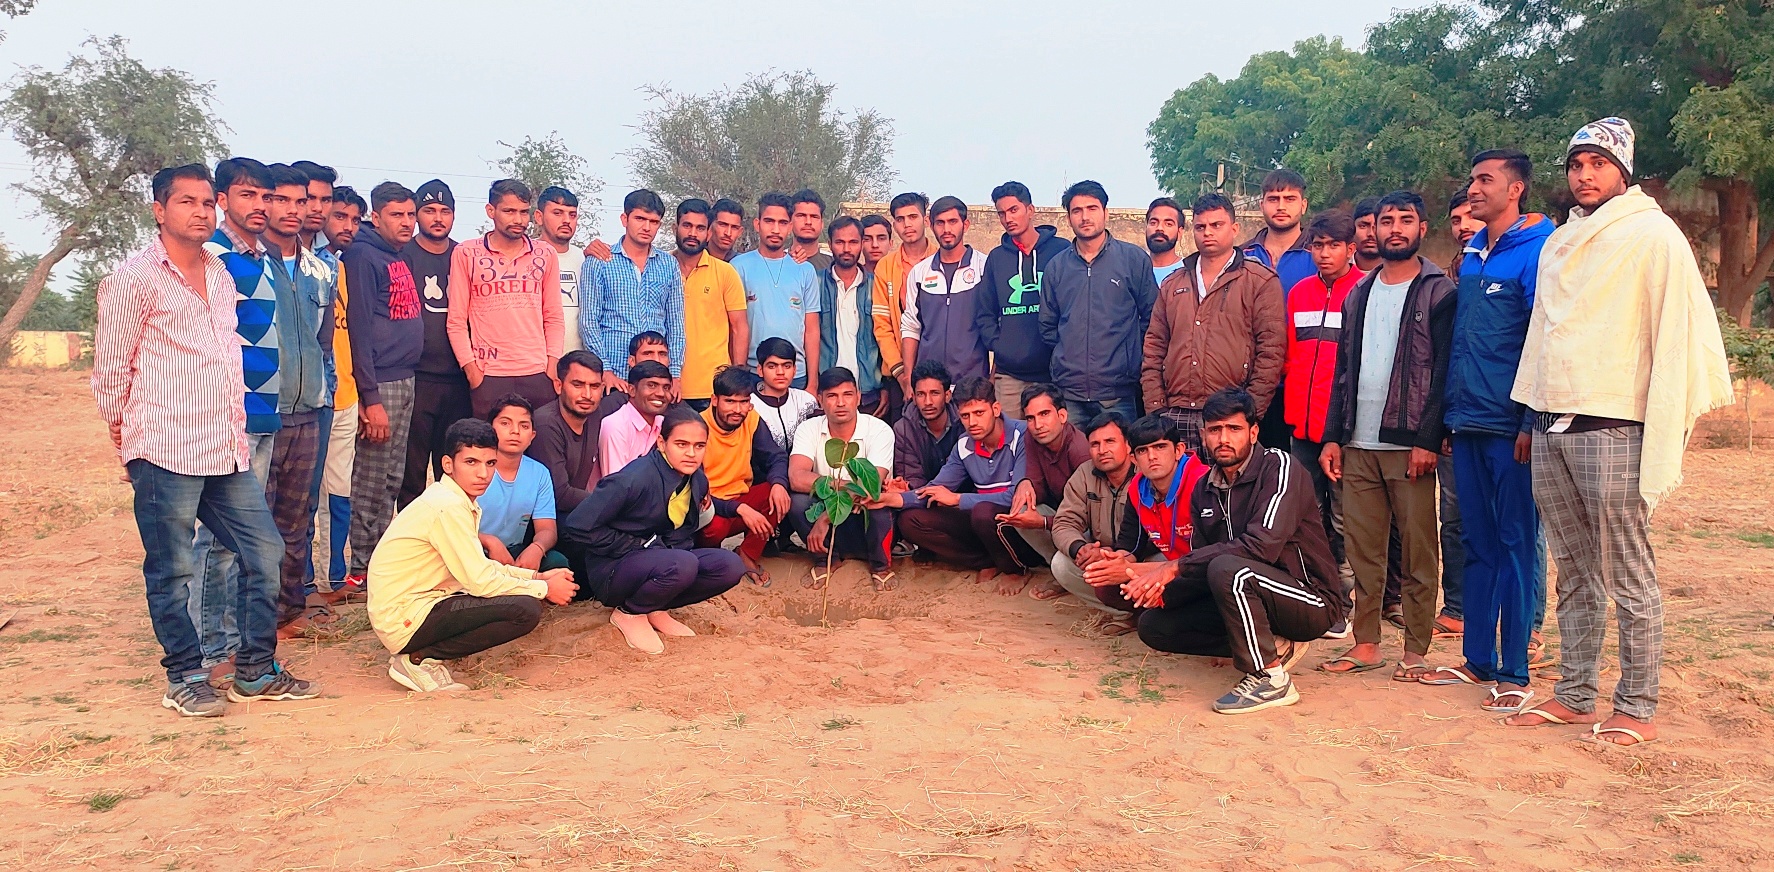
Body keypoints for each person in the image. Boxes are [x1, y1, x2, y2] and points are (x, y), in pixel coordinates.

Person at [1505, 117, 1733, 745]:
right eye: (1576, 165)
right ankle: (1575, 694)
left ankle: (1636, 701)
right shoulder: (1558, 243)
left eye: (1597, 165)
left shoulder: (1652, 235)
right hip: (1552, 424)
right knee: (1573, 569)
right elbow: (1546, 336)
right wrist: (1532, 416)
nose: (1584, 176)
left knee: (1628, 570)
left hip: (1614, 425)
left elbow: (1676, 332)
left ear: (1622, 171)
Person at [93, 163, 320, 716]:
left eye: (204, 203)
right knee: (171, 567)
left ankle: (255, 670)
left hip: (224, 447)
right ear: (159, 210)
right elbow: (111, 372)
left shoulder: (220, 273)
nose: (200, 212)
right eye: (186, 202)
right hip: (164, 448)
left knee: (264, 549)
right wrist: (128, 441)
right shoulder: (132, 279)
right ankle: (185, 676)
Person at [1122, 389, 1344, 714]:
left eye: (1234, 429)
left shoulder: (1280, 467)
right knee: (1154, 625)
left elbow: (1260, 546)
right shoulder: (1204, 488)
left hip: (1309, 599)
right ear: (1204, 435)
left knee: (1227, 568)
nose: (1224, 438)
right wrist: (1157, 589)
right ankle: (1270, 646)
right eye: (1215, 430)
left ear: (1253, 432)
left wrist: (1172, 567)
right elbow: (1202, 564)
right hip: (1247, 591)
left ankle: (1270, 679)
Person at [1429, 149, 1556, 699]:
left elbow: (1542, 342)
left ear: (1517, 188)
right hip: (1468, 421)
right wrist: (1449, 418)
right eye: (1472, 180)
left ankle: (1514, 670)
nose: (1474, 190)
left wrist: (1530, 421)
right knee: (1474, 543)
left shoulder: (1540, 252)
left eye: (1486, 180)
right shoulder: (1475, 252)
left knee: (1514, 543)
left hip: (1512, 428)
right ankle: (1476, 659)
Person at [1318, 191, 1454, 682]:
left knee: (1418, 552)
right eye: (1385, 221)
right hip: (1358, 443)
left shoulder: (1439, 290)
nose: (1394, 229)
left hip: (1408, 445)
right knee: (1363, 551)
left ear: (1422, 227)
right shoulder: (1360, 292)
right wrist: (1334, 435)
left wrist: (1427, 438)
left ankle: (1416, 650)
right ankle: (1367, 643)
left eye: (1406, 220)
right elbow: (1343, 369)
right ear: (1369, 230)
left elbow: (1441, 373)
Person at [368, 418, 577, 693]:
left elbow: (480, 568)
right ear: (447, 465)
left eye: (490, 463)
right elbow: (481, 581)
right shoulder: (447, 506)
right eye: (471, 462)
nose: (483, 474)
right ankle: (418, 659)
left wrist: (536, 576)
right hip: (404, 617)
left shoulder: (456, 500)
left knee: (522, 599)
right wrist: (544, 587)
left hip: (424, 602)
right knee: (524, 610)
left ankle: (423, 653)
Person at [187, 157, 281, 675]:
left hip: (262, 412)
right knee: (219, 539)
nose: (260, 206)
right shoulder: (213, 257)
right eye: (248, 195)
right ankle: (210, 645)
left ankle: (234, 640)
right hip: (227, 418)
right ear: (223, 199)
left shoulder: (259, 256)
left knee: (247, 540)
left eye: (265, 197)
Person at [561, 410, 752, 654]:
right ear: (662, 443)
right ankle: (630, 613)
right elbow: (578, 525)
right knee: (681, 564)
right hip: (614, 569)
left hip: (665, 557)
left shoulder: (697, 479)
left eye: (699, 445)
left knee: (729, 565)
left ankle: (655, 607)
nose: (691, 453)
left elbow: (681, 532)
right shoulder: (633, 479)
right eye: (681, 444)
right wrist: (639, 544)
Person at [1141, 192, 1286, 453]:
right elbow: (1153, 349)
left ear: (1234, 228)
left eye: (1216, 225)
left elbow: (1271, 353)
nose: (1208, 232)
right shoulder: (1173, 284)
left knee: (1230, 491)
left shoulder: (1259, 281)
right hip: (1175, 413)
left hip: (1230, 415)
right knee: (1178, 491)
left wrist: (1249, 411)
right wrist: (1157, 410)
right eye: (1201, 227)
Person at [258, 164, 337, 637]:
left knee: (297, 517)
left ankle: (288, 613)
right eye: (281, 200)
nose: (294, 210)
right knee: (252, 522)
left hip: (311, 408)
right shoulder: (240, 264)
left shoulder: (319, 269)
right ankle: (249, 623)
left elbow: (322, 340)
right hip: (259, 411)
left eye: (302, 201)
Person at [1284, 210, 1365, 636]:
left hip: (1346, 430)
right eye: (1318, 245)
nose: (1325, 253)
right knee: (1307, 514)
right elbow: (1288, 357)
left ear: (1351, 249)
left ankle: (1347, 602)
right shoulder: (1298, 293)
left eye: (1334, 245)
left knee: (1344, 519)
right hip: (1302, 426)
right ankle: (1316, 594)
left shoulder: (1364, 292)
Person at [885, 376, 1038, 594]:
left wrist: (958, 499)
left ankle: (1015, 569)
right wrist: (888, 499)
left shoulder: (1021, 435)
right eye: (965, 416)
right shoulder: (964, 445)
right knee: (910, 520)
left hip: (1019, 526)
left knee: (982, 512)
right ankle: (986, 561)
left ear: (995, 409)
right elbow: (934, 489)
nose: (972, 422)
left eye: (979, 413)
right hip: (983, 525)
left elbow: (1015, 497)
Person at [343, 181, 425, 585]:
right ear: (376, 217)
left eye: (411, 214)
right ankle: (360, 567)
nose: (407, 222)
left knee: (394, 475)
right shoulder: (362, 255)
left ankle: (379, 562)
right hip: (382, 383)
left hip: (407, 378)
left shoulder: (398, 255)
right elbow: (357, 328)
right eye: (397, 215)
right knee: (372, 477)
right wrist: (369, 396)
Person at [1039, 180, 1160, 420]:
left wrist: (1129, 356)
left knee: (1119, 457)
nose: (1085, 217)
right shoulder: (1057, 267)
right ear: (1069, 218)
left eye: (1092, 208)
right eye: (1077, 211)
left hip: (1118, 392)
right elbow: (1048, 326)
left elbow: (1153, 318)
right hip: (1069, 393)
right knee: (1075, 458)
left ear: (1105, 212)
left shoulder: (1133, 260)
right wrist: (1070, 356)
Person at [447, 179, 564, 417]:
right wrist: (472, 371)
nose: (518, 220)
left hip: (537, 374)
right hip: (489, 374)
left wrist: (551, 368)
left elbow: (553, 316)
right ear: (491, 211)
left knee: (538, 451)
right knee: (488, 451)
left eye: (524, 212)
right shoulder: (467, 253)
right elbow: (456, 320)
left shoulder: (545, 253)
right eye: (509, 211)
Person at [1048, 413, 1159, 634]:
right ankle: (1124, 615)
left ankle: (1155, 614)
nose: (1102, 450)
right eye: (1095, 444)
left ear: (1128, 445)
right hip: (1103, 556)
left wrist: (1121, 556)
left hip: (1145, 557)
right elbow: (1064, 522)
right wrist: (1082, 548)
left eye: (1110, 441)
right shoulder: (1084, 474)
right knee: (1061, 564)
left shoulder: (1148, 472)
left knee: (1169, 561)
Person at [792, 368, 897, 589]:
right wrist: (844, 485)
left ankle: (881, 566)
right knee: (797, 502)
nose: (841, 403)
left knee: (877, 503)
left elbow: (872, 486)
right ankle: (827, 559)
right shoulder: (808, 429)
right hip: (831, 512)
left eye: (847, 394)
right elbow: (796, 477)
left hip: (863, 518)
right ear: (820, 400)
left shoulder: (879, 430)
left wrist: (825, 519)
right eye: (832, 396)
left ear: (858, 397)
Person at [401, 179, 470, 508]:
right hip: (416, 377)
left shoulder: (465, 255)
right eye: (429, 210)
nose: (438, 218)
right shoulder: (403, 255)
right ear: (417, 214)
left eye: (445, 211)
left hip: (458, 379)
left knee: (453, 473)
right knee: (410, 473)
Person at [580, 189, 685, 397]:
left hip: (656, 378)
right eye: (640, 218)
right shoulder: (600, 261)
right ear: (624, 219)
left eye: (654, 222)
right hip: (615, 376)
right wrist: (605, 370)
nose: (646, 227)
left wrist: (675, 375)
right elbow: (589, 321)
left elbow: (675, 323)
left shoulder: (669, 264)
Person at [977, 181, 1069, 417]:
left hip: (1053, 373)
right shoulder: (997, 258)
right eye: (1001, 213)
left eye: (1014, 210)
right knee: (1009, 441)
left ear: (1030, 210)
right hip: (1010, 376)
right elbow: (985, 311)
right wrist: (999, 345)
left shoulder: (1061, 251)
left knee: (1050, 443)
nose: (1008, 218)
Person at [695, 367, 791, 583]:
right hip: (709, 507)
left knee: (778, 493)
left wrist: (778, 484)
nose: (737, 409)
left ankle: (747, 554)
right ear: (714, 400)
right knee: (714, 527)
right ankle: (711, 563)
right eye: (730, 401)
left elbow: (776, 457)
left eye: (743, 402)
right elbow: (697, 491)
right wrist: (740, 508)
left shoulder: (751, 419)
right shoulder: (698, 427)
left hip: (740, 501)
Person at [315, 186, 364, 601]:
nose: (346, 226)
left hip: (346, 395)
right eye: (339, 217)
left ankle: (334, 579)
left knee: (339, 490)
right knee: (305, 498)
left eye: (354, 219)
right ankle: (300, 584)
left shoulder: (340, 267)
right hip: (309, 400)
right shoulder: (303, 265)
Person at [998, 383, 1089, 590]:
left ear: (1063, 416)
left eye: (1045, 414)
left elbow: (1090, 517)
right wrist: (1025, 482)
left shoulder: (1080, 451)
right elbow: (1036, 483)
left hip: (1087, 526)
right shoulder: (1032, 437)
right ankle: (1058, 572)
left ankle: (1073, 575)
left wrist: (1044, 522)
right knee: (1021, 507)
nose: (1038, 424)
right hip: (1061, 513)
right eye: (1030, 418)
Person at [900, 195, 991, 388]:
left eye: (952, 222)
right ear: (931, 226)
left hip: (973, 381)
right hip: (929, 386)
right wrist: (908, 378)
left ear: (965, 225)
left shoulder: (985, 267)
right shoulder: (920, 272)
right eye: (940, 223)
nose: (946, 229)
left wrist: (993, 378)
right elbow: (911, 326)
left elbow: (999, 325)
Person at [734, 191, 820, 386]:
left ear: (790, 227)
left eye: (782, 223)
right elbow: (734, 326)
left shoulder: (805, 270)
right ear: (757, 224)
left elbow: (812, 330)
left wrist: (813, 383)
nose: (775, 229)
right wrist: (737, 376)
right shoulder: (739, 267)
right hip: (753, 372)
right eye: (769, 221)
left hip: (796, 374)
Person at [477, 394, 568, 572]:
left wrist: (537, 548)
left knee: (557, 563)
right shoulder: (475, 466)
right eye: (505, 423)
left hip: (512, 552)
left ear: (532, 435)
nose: (515, 431)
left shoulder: (539, 473)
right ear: (490, 429)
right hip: (473, 547)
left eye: (524, 425)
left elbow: (547, 529)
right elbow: (452, 527)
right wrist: (488, 541)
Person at [673, 198, 748, 412]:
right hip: (668, 384)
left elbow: (739, 327)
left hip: (712, 388)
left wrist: (736, 379)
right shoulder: (662, 268)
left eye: (700, 228)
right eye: (687, 226)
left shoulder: (725, 273)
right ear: (674, 228)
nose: (693, 234)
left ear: (708, 233)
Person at [528, 350, 608, 514]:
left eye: (594, 386)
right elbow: (560, 495)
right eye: (577, 385)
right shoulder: (546, 425)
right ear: (559, 386)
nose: (587, 395)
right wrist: (608, 502)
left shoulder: (594, 413)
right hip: (547, 517)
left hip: (577, 510)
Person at [820, 216, 885, 414]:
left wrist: (885, 386)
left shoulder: (876, 286)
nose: (846, 249)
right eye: (840, 242)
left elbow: (884, 336)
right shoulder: (815, 283)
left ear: (861, 243)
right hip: (826, 391)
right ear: (830, 244)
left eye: (853, 242)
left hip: (867, 392)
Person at [873, 192, 932, 397]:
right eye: (900, 219)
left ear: (926, 220)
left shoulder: (940, 260)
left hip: (939, 372)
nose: (907, 224)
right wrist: (901, 373)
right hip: (898, 374)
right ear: (894, 225)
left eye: (913, 217)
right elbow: (882, 325)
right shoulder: (886, 266)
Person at [891, 359, 962, 491]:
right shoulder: (903, 429)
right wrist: (906, 486)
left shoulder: (964, 422)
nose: (928, 402)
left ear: (947, 396)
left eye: (934, 393)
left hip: (961, 497)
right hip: (923, 499)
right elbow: (912, 477)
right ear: (914, 397)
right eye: (921, 394)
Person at [536, 186, 586, 353]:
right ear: (539, 217)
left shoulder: (585, 259)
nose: (566, 220)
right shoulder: (525, 256)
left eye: (572, 215)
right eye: (557, 213)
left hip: (576, 363)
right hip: (535, 360)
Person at [600, 359, 673, 475]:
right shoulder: (616, 426)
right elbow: (615, 487)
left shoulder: (664, 424)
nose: (661, 393)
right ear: (632, 390)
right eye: (652, 385)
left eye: (666, 387)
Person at [751, 337, 820, 453]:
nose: (780, 372)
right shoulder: (750, 404)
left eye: (786, 366)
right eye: (772, 366)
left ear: (794, 370)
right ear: (760, 370)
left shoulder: (806, 401)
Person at [789, 188, 832, 271]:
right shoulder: (778, 262)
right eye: (801, 215)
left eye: (814, 217)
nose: (808, 222)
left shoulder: (834, 265)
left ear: (822, 224)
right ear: (790, 222)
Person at [1147, 197, 1187, 286]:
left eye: (1168, 224)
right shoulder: (1132, 270)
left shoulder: (1189, 273)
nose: (1159, 228)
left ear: (1180, 232)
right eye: (1153, 223)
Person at [708, 198, 745, 263]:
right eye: (723, 225)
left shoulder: (743, 264)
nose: (728, 233)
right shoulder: (693, 259)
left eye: (734, 227)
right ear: (710, 226)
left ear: (740, 232)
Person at [1352, 197, 1382, 274]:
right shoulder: (1335, 268)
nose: (1371, 234)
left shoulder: (1406, 273)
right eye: (1363, 226)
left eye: (1377, 226)